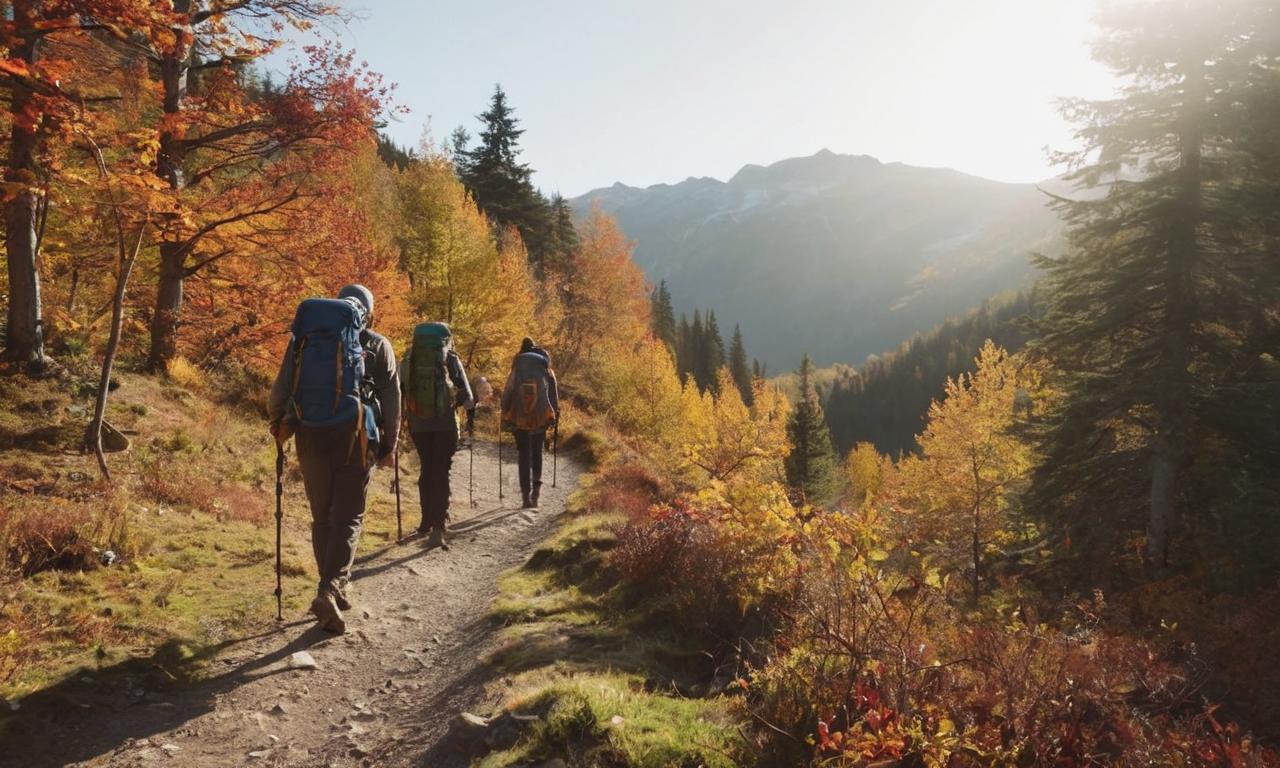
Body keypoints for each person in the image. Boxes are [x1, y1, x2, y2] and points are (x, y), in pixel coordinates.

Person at [267, 284, 400, 634]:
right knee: (350, 515)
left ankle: (330, 585)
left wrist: (280, 422)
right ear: (367, 313)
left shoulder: (305, 339)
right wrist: (390, 443)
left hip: (311, 432)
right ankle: (331, 587)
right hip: (355, 437)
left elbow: (281, 389)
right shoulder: (378, 344)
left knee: (322, 515)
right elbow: (392, 396)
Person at [402, 324, 473, 549]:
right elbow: (468, 397)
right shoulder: (450, 358)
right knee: (441, 471)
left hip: (418, 423)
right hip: (445, 424)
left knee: (427, 468)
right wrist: (457, 405)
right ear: (446, 339)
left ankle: (425, 521)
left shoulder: (409, 357)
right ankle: (438, 527)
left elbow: (401, 388)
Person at [502, 338, 559, 509]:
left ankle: (525, 496)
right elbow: (553, 388)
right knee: (537, 451)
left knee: (524, 455)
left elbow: (509, 389)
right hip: (541, 414)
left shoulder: (518, 364)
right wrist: (554, 412)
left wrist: (504, 410)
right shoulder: (545, 365)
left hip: (520, 415)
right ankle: (536, 491)